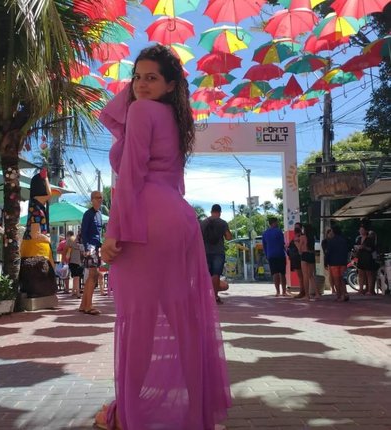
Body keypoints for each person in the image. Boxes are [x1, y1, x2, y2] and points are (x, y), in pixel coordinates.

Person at [97, 45, 231, 430]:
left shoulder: (142, 111)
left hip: (146, 217)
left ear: (171, 84)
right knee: (183, 319)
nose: (140, 84)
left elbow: (131, 174)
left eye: (152, 77)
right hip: (179, 217)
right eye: (137, 77)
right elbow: (173, 180)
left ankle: (127, 416)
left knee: (137, 321)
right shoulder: (175, 119)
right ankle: (197, 413)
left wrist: (113, 231)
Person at [200, 204, 232, 304]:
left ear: (211, 211)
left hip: (205, 252)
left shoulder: (203, 223)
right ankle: (215, 296)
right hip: (218, 252)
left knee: (205, 274)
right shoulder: (222, 223)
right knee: (216, 274)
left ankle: (204, 296)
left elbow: (198, 238)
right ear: (220, 212)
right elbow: (228, 237)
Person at [78, 190, 104, 315]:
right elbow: (84, 233)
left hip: (96, 247)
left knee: (92, 276)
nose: (100, 199)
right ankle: (88, 306)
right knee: (93, 275)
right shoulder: (88, 214)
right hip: (90, 248)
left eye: (101, 197)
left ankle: (83, 305)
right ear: (92, 199)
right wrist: (87, 248)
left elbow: (98, 234)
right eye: (97, 197)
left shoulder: (99, 214)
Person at [262, 217, 288, 296]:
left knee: (275, 273)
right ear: (274, 223)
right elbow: (282, 243)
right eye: (277, 222)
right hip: (280, 254)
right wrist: (287, 252)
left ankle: (277, 291)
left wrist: (267, 255)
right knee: (282, 273)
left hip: (271, 255)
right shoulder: (278, 231)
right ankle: (284, 291)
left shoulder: (265, 233)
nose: (277, 224)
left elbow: (264, 246)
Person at [297, 223, 321, 301]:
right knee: (311, 275)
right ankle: (317, 293)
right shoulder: (312, 238)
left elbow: (300, 249)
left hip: (305, 255)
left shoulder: (302, 237)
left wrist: (297, 243)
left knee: (305, 276)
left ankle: (307, 295)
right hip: (311, 255)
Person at [325, 224, 349, 302]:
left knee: (336, 279)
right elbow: (346, 252)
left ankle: (339, 295)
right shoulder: (343, 240)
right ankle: (345, 294)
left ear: (334, 231)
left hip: (333, 263)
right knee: (342, 278)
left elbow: (328, 253)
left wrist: (326, 262)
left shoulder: (331, 241)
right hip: (343, 262)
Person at [355, 224, 376, 295]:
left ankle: (370, 290)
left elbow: (372, 249)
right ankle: (360, 289)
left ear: (366, 231)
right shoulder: (359, 239)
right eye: (360, 230)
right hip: (360, 257)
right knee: (360, 274)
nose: (360, 231)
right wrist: (357, 248)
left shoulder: (369, 239)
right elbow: (357, 247)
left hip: (367, 257)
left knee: (369, 274)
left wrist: (364, 247)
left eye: (362, 230)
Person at [287, 222, 304, 298]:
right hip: (295, 258)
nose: (295, 229)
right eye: (295, 228)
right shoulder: (295, 237)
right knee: (300, 276)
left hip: (299, 258)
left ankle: (303, 291)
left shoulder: (301, 237)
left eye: (297, 227)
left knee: (302, 276)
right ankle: (303, 291)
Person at [67, 230, 84, 298]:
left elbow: (67, 247)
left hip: (73, 260)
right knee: (76, 277)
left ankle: (75, 292)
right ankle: (76, 292)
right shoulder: (82, 240)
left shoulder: (71, 239)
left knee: (75, 277)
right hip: (79, 260)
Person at [321, 228, 335, 295]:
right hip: (329, 259)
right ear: (327, 234)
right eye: (330, 234)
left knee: (336, 275)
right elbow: (325, 251)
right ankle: (333, 289)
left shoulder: (335, 240)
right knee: (331, 275)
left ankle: (336, 288)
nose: (331, 235)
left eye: (332, 234)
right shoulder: (325, 241)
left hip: (335, 258)